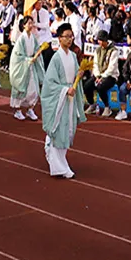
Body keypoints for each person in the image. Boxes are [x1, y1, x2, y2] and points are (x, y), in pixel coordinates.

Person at [40, 23, 86, 179]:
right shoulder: (56, 58)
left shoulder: (73, 56)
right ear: (59, 39)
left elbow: (74, 77)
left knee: (68, 129)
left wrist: (79, 75)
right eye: (66, 36)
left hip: (70, 99)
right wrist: (65, 90)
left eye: (71, 36)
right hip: (60, 98)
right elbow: (50, 83)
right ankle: (58, 166)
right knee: (59, 128)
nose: (70, 39)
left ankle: (60, 160)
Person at [8, 16, 44, 121]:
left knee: (34, 90)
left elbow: (37, 49)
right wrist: (28, 60)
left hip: (31, 67)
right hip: (23, 68)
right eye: (28, 23)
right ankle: (18, 110)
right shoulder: (21, 39)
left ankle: (30, 109)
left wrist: (37, 55)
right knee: (21, 88)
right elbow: (17, 55)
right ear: (24, 25)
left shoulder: (33, 37)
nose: (31, 25)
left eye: (32, 23)